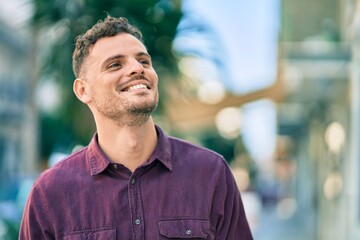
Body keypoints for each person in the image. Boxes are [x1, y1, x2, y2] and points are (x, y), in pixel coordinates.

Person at [19, 15, 253, 240]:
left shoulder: (212, 174)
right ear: (83, 90)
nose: (137, 68)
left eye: (143, 61)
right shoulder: (49, 193)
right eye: (115, 64)